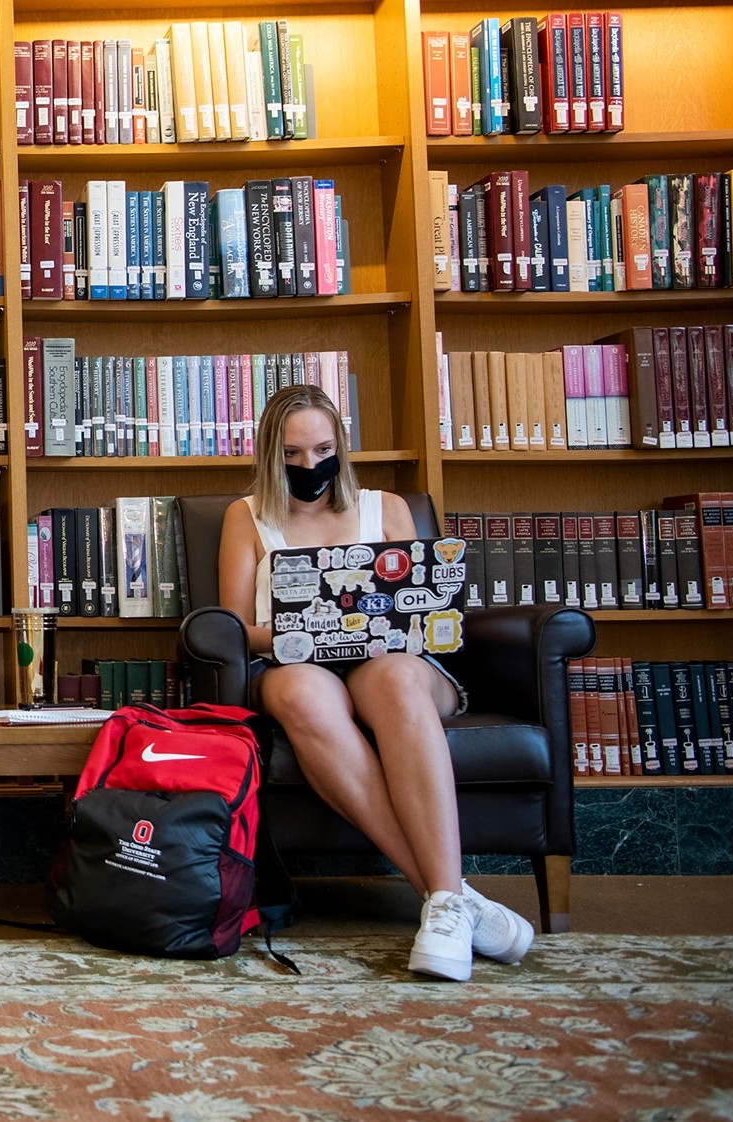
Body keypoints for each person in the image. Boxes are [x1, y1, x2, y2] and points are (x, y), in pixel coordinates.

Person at [216, 384, 534, 981]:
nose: (310, 466)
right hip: (297, 663)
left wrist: (377, 629)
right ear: (268, 454)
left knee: (390, 682)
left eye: (322, 449)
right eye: (291, 455)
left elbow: (426, 606)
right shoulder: (247, 516)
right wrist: (307, 628)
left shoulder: (386, 508)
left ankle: (444, 900)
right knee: (305, 694)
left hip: (396, 663)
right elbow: (233, 626)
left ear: (342, 447)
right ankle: (450, 899)